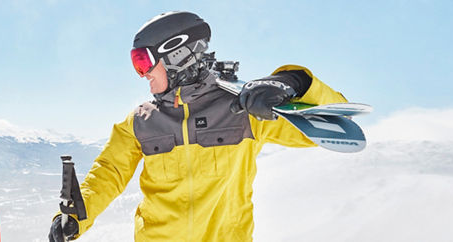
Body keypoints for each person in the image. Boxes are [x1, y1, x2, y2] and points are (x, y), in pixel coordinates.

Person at [48, 11, 349, 241]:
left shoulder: (242, 110)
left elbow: (334, 121)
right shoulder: (141, 121)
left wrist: (293, 82)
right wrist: (76, 215)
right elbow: (109, 173)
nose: (142, 74)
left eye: (144, 62)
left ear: (177, 55)